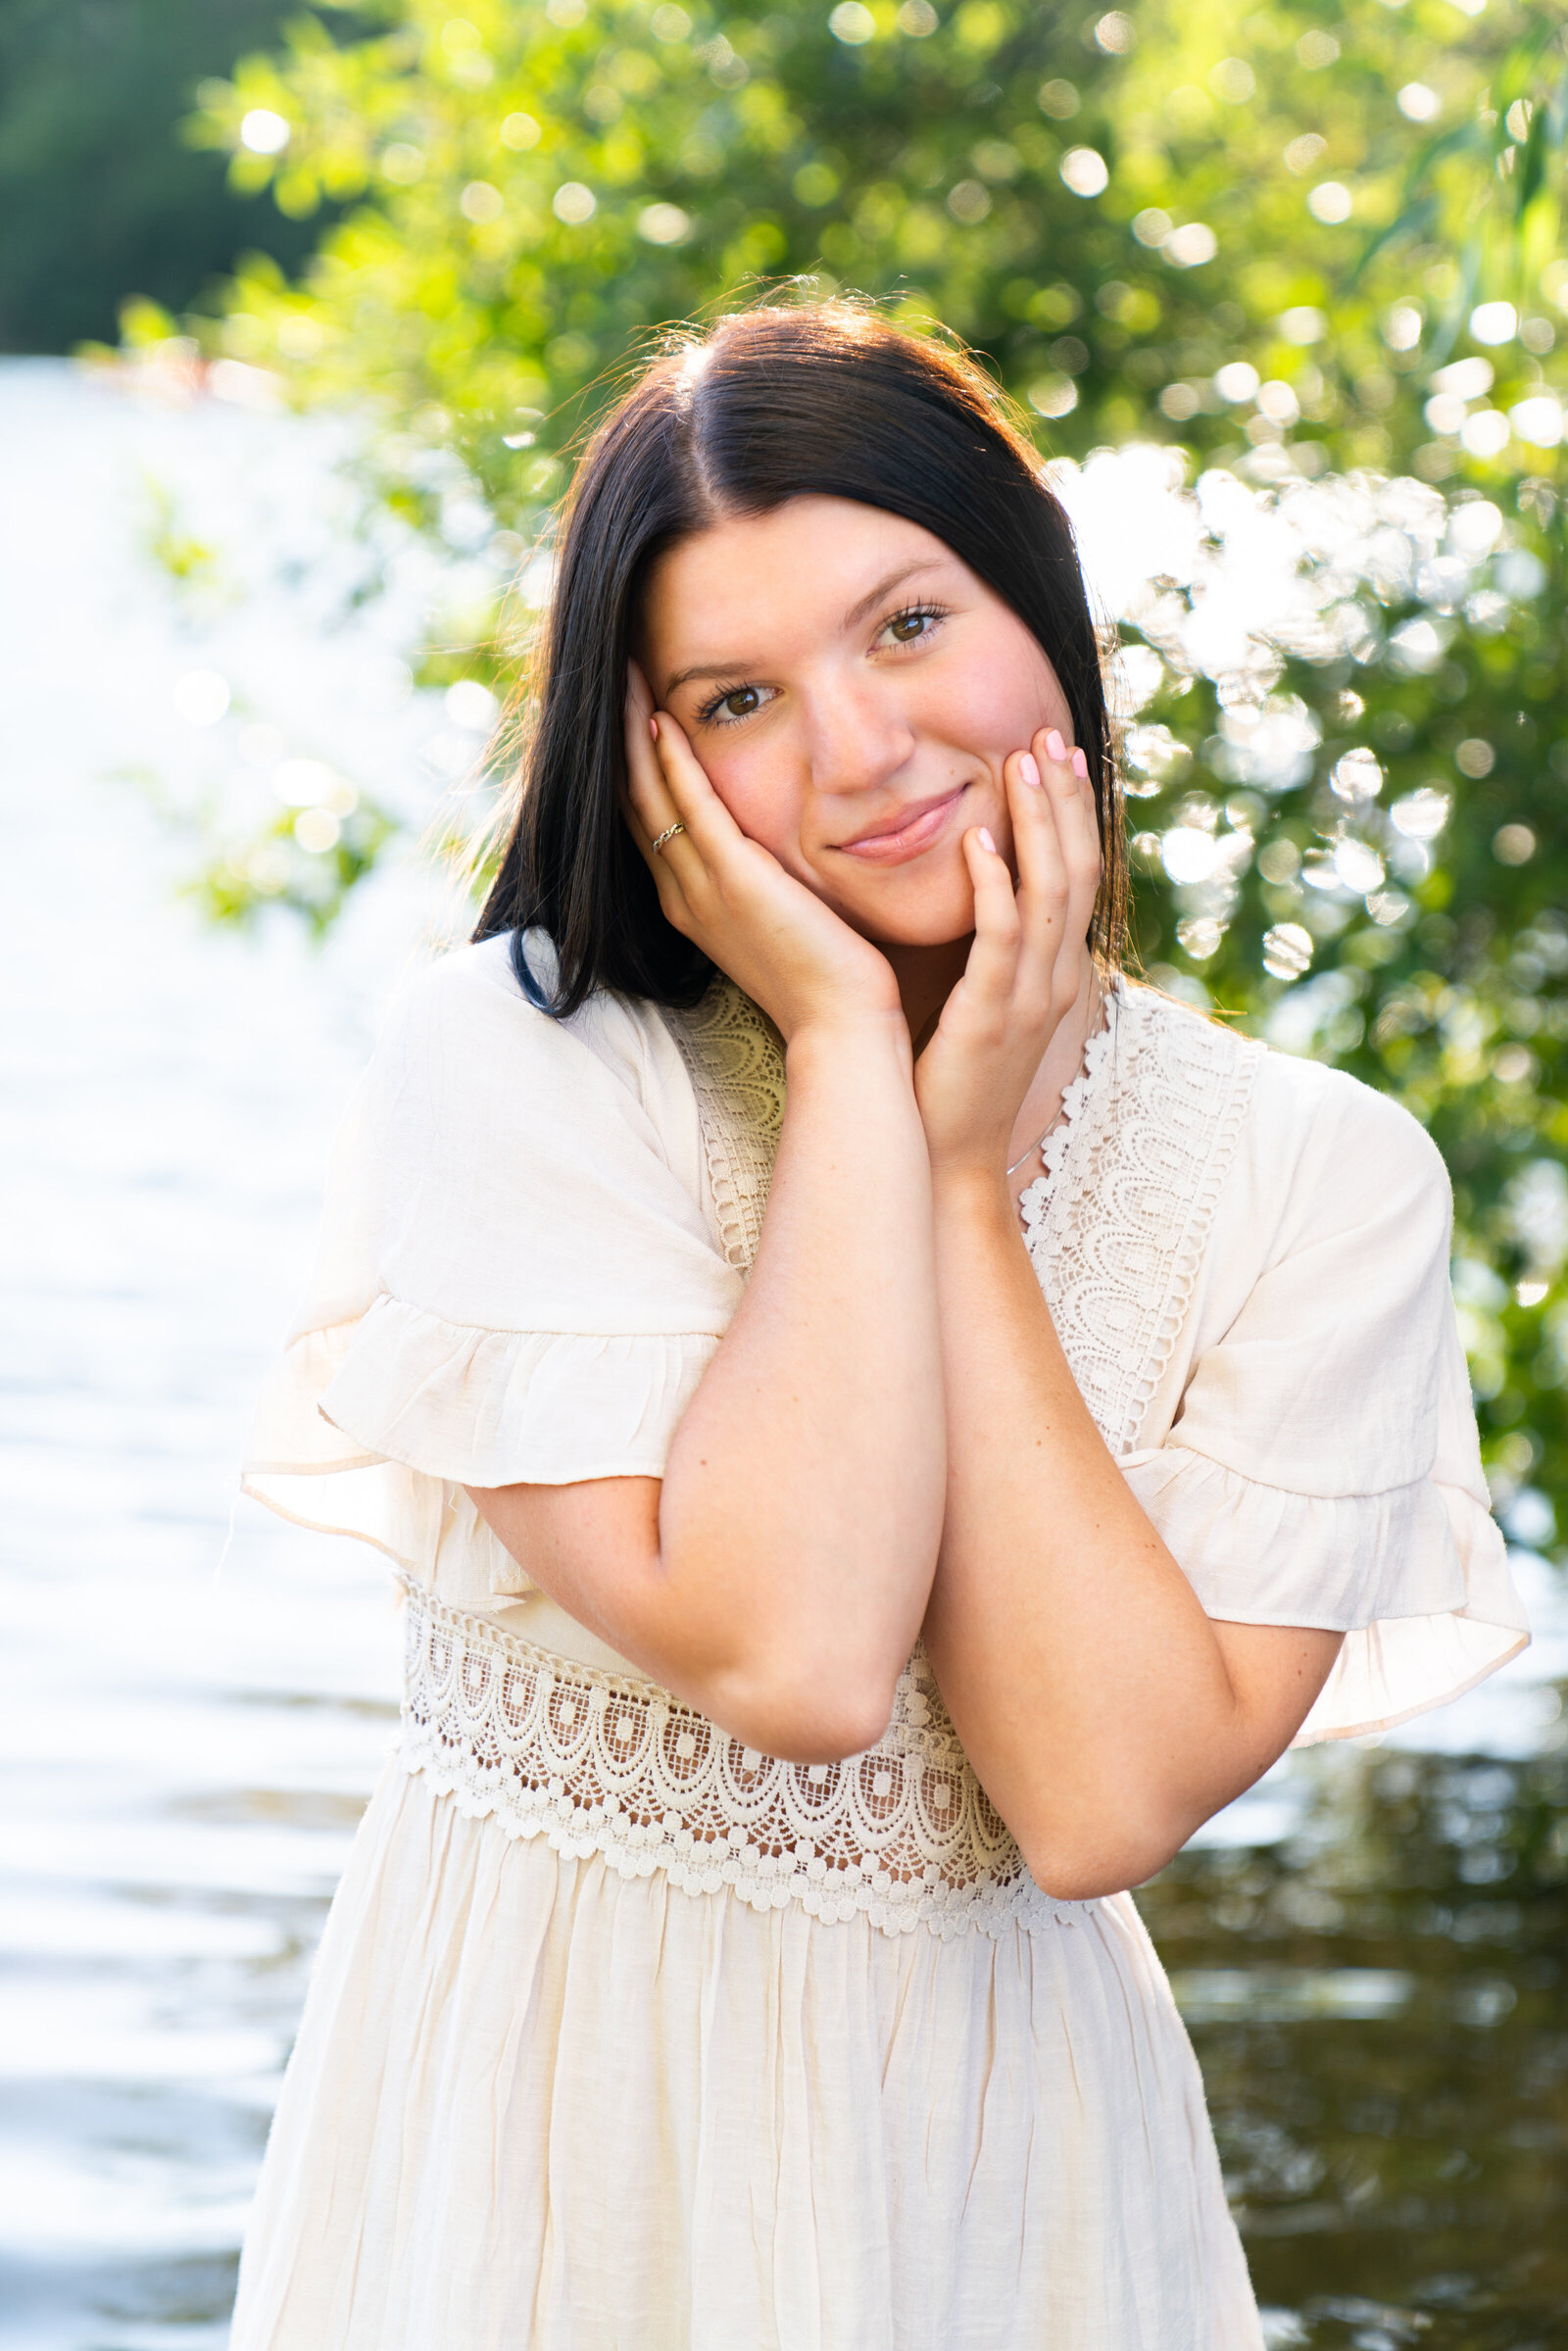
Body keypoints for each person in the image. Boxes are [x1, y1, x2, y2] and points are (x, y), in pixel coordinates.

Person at [231, 302, 1527, 2350]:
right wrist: (847, 1055)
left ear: (1039, 603)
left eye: (907, 626)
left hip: (996, 2200)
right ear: (645, 755)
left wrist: (954, 1187)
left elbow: (1096, 1800)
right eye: (737, 695)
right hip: (535, 2165)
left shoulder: (1317, 1178)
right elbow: (798, 1649)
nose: (856, 749)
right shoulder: (520, 1066)